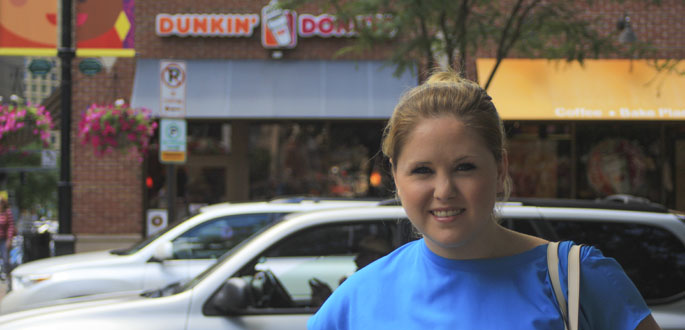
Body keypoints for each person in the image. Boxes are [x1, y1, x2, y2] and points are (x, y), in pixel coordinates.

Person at [308, 70, 661, 329]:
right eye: (422, 170)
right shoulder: (356, 301)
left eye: (464, 167)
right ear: (395, 177)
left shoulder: (577, 278)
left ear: (500, 167)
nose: (444, 190)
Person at [0, 194, 16, 279]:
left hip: (4, 239)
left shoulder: (7, 212)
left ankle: (8, 278)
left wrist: (9, 239)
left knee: (6, 259)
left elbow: (11, 226)